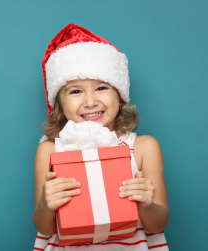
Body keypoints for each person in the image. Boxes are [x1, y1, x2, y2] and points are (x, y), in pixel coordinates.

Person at [33, 23, 169, 250]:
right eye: (75, 91)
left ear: (120, 96)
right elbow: (44, 228)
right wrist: (47, 206)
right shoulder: (49, 151)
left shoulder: (144, 148)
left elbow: (158, 224)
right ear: (59, 104)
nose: (90, 101)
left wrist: (146, 205)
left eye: (101, 88)